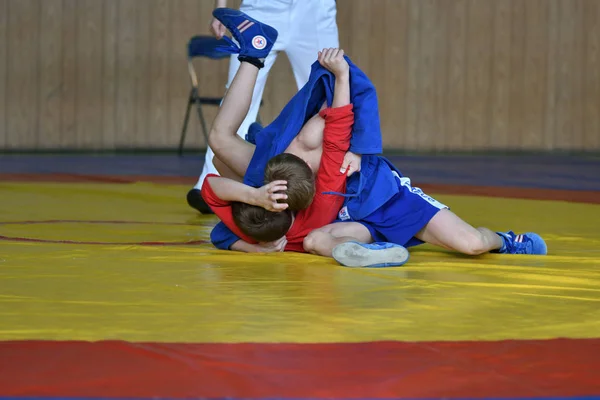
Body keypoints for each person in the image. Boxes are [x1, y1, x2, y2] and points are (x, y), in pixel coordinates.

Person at [187, 0, 340, 214]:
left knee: (328, 93)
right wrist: (220, 6)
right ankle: (209, 179)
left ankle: (331, 187)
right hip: (262, 6)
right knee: (237, 89)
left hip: (314, 9)